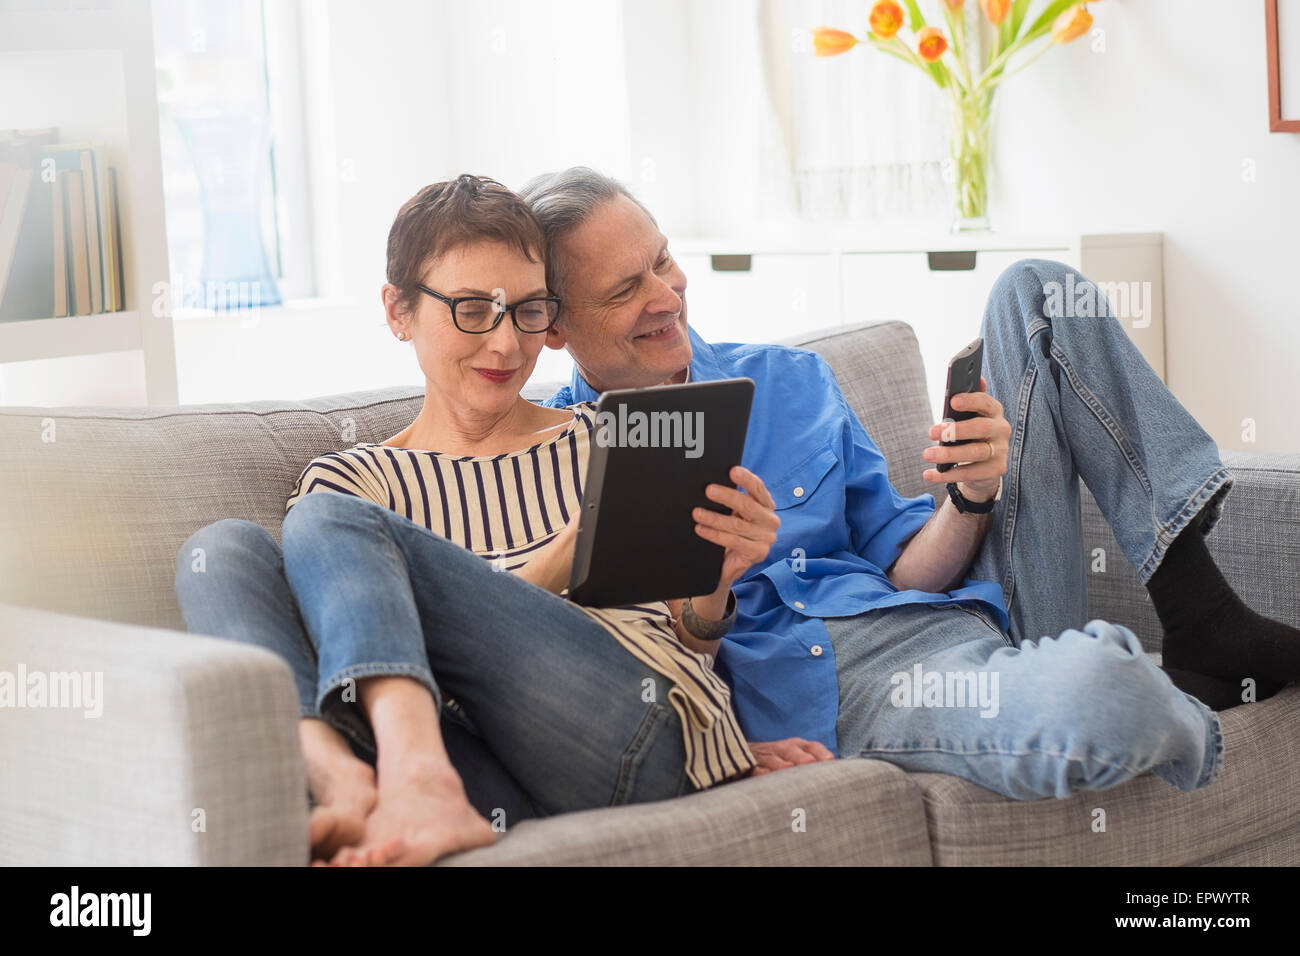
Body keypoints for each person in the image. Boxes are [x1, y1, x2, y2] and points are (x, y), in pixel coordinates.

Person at [518, 166, 1300, 797]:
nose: (666, 295)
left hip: (966, 605)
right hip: (851, 683)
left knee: (1035, 291)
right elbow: (617, 675)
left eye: (661, 260)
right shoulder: (559, 462)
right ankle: (1147, 693)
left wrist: (972, 495)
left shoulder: (791, 379)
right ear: (551, 325)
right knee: (1104, 697)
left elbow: (903, 565)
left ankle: (1195, 604)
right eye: (625, 290)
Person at [174, 174, 784, 867]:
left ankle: (410, 779)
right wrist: (558, 562)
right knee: (221, 549)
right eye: (471, 310)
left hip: (627, 735)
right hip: (485, 770)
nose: (503, 345)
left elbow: (687, 646)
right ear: (398, 310)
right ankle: (333, 770)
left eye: (527, 311)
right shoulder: (354, 480)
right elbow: (354, 653)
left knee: (326, 523)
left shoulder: (608, 436)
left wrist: (715, 580)